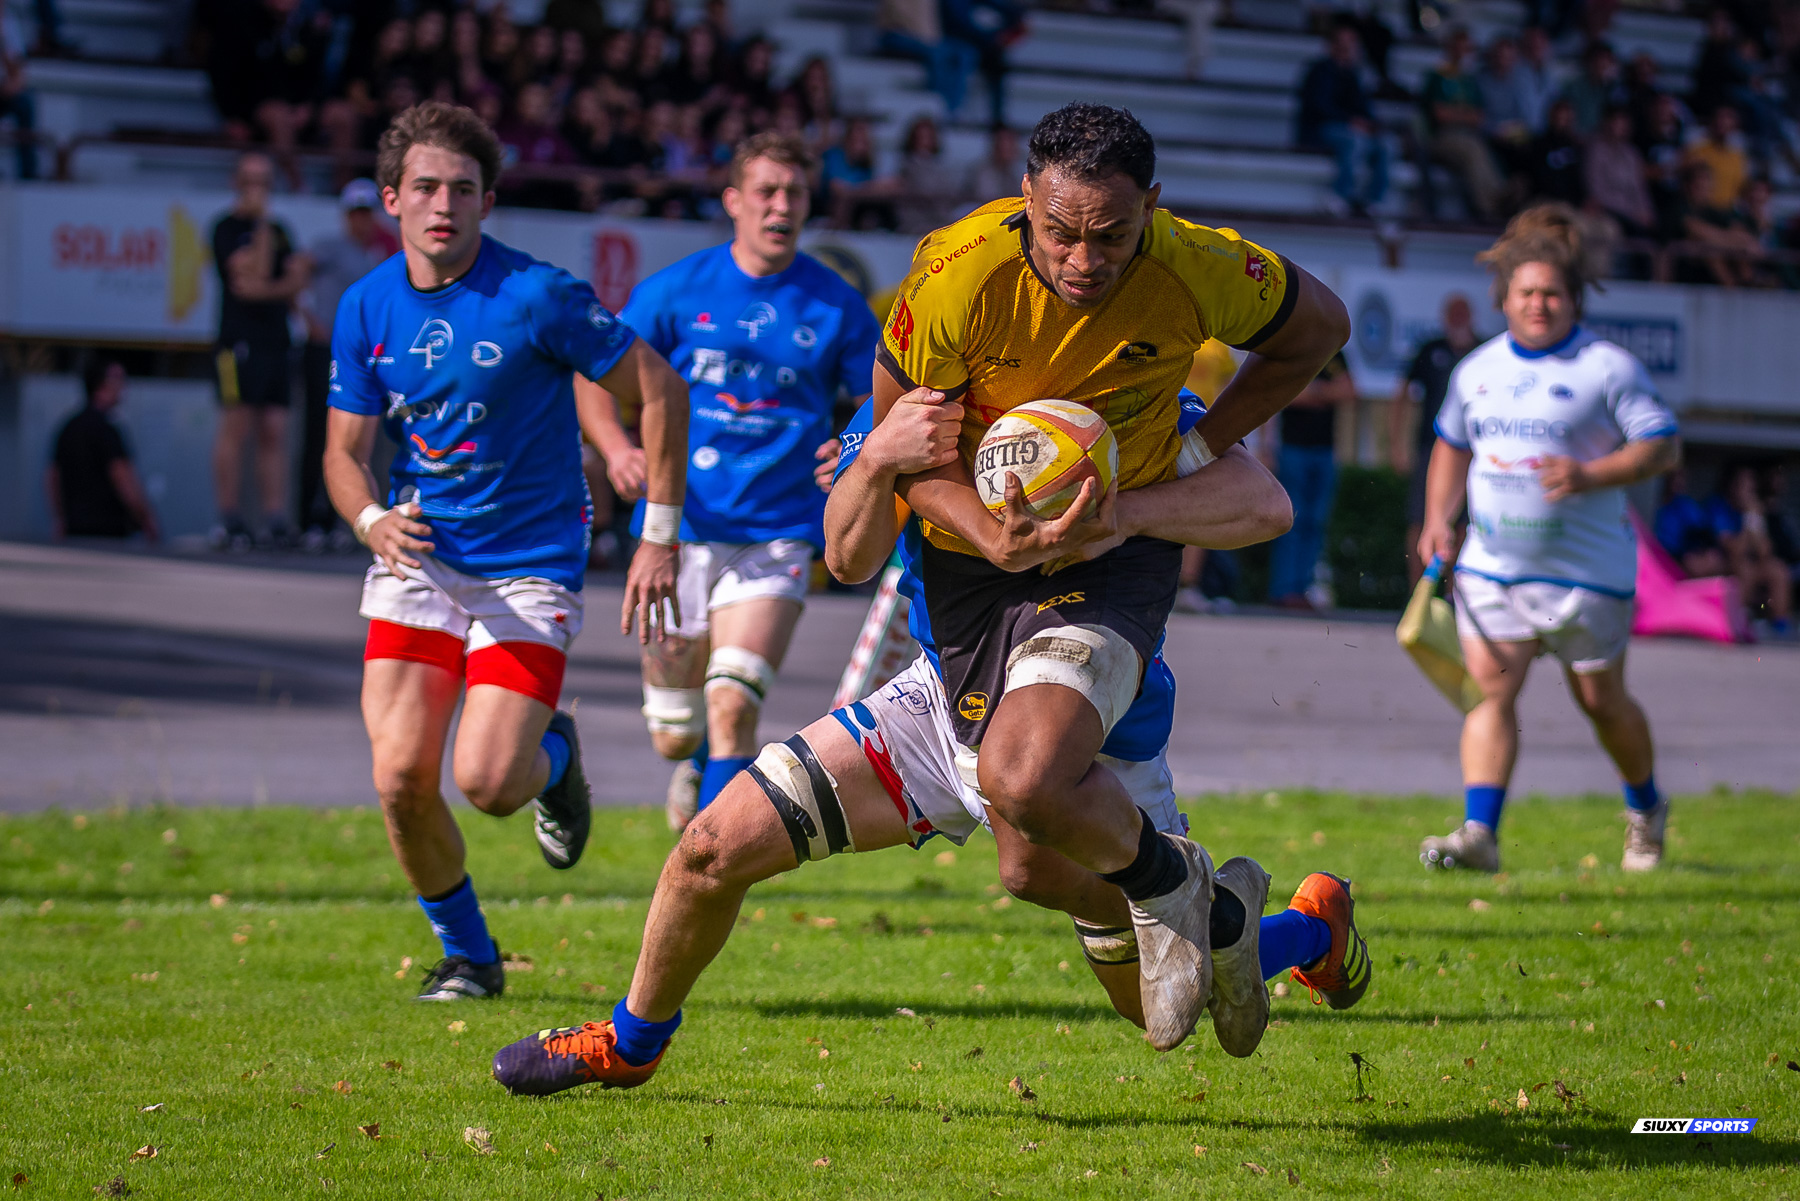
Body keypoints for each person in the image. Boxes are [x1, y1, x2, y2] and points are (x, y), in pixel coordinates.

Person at [490, 385, 1373, 1097]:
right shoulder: (920, 395)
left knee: (1147, 1003)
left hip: (1090, 748)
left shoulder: (1128, 393)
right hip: (938, 703)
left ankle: (1302, 929)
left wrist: (1127, 511)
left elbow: (1264, 503)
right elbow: (848, 556)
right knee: (710, 846)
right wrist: (875, 457)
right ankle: (631, 1041)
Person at [794, 102, 1341, 1056]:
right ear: (1024, 204)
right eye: (1060, 234)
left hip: (1109, 570)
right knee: (1031, 869)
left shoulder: (1199, 264)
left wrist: (1202, 442)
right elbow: (897, 448)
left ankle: (1171, 877)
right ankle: (1291, 927)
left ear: (1153, 210)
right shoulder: (954, 274)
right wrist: (986, 532)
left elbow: (1316, 331)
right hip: (980, 578)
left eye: (1112, 236)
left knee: (1026, 780)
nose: (1084, 259)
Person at [322, 100, 690, 1002]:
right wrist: (370, 521)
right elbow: (341, 453)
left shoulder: (537, 294)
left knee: (486, 782)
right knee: (401, 780)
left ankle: (552, 762)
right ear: (390, 199)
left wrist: (658, 538)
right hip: (420, 560)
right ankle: (470, 957)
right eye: (424, 188)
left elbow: (661, 391)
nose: (441, 204)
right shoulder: (364, 305)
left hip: (528, 564)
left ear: (489, 200)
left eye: (461, 189)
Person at [582, 132, 878, 835]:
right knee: (674, 731)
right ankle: (688, 766)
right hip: (676, 532)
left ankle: (710, 861)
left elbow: (883, 396)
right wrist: (619, 446)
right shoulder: (676, 291)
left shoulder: (834, 304)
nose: (781, 206)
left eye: (795, 193)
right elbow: (594, 373)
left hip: (778, 533)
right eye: (767, 192)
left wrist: (856, 443)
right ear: (734, 201)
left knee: (733, 703)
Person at [1417, 206, 1680, 875]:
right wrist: (1437, 519)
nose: (1539, 304)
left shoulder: (1608, 367)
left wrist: (1591, 472)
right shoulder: (1476, 369)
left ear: (1574, 298)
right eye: (1526, 292)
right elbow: (1450, 447)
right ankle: (1480, 833)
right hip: (1494, 568)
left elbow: (1662, 445)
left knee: (1600, 700)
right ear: (1503, 297)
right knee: (1491, 693)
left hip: (1587, 573)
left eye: (1552, 293)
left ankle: (1646, 809)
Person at [211, 152, 310, 552]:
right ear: (237, 182)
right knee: (237, 426)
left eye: (266, 181)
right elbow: (248, 274)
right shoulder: (225, 228)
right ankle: (230, 517)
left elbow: (295, 279)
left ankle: (274, 518)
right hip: (238, 341)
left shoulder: (280, 228)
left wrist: (270, 286)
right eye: (252, 181)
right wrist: (260, 230)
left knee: (275, 429)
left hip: (276, 339)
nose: (259, 189)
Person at [300, 179, 398, 552]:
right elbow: (297, 272)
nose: (360, 221)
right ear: (345, 216)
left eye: (366, 214)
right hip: (324, 350)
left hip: (366, 357)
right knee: (318, 437)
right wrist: (306, 317)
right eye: (355, 213)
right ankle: (311, 520)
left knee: (363, 442)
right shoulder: (330, 247)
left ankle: (353, 520)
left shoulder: (381, 252)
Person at [1390, 293, 1477, 583]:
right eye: (1453, 314)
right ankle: (1419, 591)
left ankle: (1455, 593)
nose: (1458, 320)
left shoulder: (1481, 352)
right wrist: (1396, 444)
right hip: (1431, 448)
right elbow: (1402, 392)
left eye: (1462, 313)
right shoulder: (1430, 349)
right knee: (1420, 518)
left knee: (1465, 522)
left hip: (1473, 452)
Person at [1266, 349, 1355, 608]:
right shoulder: (1293, 348)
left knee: (1316, 522)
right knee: (1290, 520)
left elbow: (1349, 391)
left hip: (1324, 450)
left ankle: (1304, 588)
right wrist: (1326, 393)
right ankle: (1283, 589)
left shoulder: (1335, 354)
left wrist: (1311, 392)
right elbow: (1283, 394)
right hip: (1293, 448)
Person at [46, 360, 160, 544]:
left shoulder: (69, 427)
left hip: (74, 529)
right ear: (102, 384)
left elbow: (52, 477)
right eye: (118, 379)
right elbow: (122, 476)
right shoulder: (108, 429)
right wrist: (146, 518)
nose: (123, 387)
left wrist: (60, 518)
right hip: (108, 532)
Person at [1295, 23, 1389, 216]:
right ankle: (1339, 195)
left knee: (1387, 144)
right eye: (1342, 43)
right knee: (1354, 140)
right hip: (1319, 129)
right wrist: (1350, 121)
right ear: (1331, 45)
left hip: (1348, 126)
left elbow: (1364, 108)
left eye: (1351, 44)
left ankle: (1373, 201)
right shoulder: (1318, 71)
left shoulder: (1354, 75)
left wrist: (1371, 124)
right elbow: (1318, 106)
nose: (1347, 48)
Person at [1422, 28, 1503, 222]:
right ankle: (1487, 206)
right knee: (1471, 149)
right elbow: (1440, 115)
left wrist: (1457, 114)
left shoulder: (1468, 80)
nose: (1461, 54)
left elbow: (1479, 116)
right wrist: (1464, 115)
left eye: (1465, 49)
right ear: (1449, 49)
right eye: (1457, 48)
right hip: (1440, 138)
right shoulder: (1437, 76)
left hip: (1468, 135)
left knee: (1483, 149)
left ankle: (1500, 196)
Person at [1711, 463, 1793, 637]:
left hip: (1750, 562)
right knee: (1744, 569)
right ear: (1732, 486)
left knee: (1777, 570)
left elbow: (1764, 551)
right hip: (1723, 563)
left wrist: (1752, 518)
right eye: (1744, 485)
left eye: (1752, 486)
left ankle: (1780, 626)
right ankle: (1738, 622)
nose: (1749, 490)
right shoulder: (1718, 508)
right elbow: (1735, 549)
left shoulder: (1753, 511)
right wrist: (1749, 525)